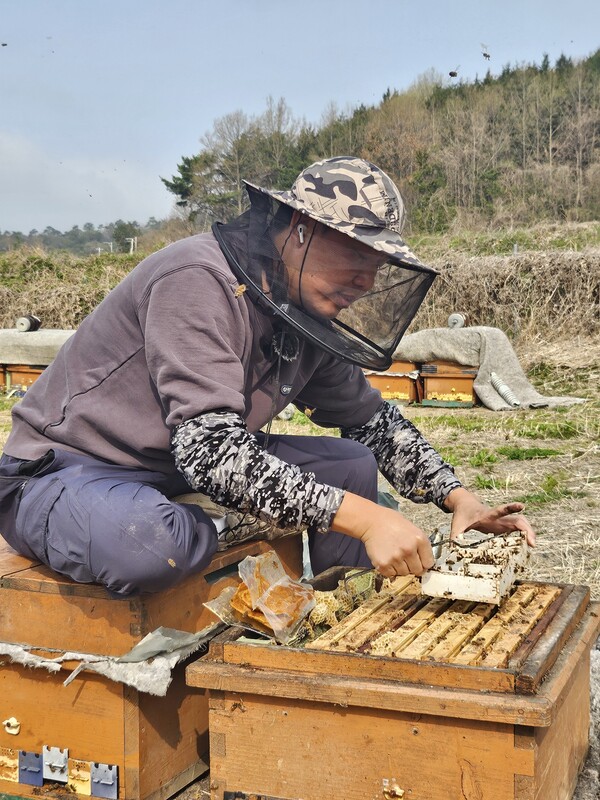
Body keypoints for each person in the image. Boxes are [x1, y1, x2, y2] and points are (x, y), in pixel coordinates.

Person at [0, 156, 534, 597]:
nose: (366, 281)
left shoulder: (302, 307)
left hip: (174, 471)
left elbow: (372, 422)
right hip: (70, 468)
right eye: (356, 254)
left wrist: (460, 498)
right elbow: (210, 450)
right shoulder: (196, 278)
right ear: (299, 231)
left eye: (378, 263)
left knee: (351, 463)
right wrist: (368, 520)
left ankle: (340, 609)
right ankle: (207, 524)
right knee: (150, 546)